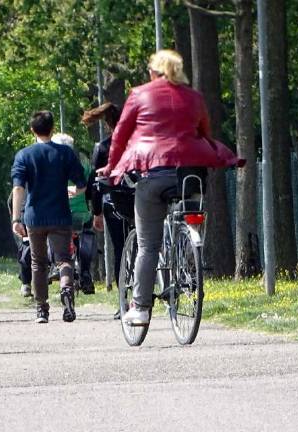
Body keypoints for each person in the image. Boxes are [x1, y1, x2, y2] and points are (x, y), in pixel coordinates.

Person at [97, 50, 242, 325]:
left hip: (154, 175)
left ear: (153, 72)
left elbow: (120, 137)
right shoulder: (195, 97)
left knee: (147, 246)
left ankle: (140, 308)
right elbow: (204, 134)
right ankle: (189, 256)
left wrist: (112, 167)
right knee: (191, 219)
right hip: (190, 176)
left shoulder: (139, 94)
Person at [11, 111, 86, 324]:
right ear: (52, 129)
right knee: (64, 259)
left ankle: (42, 309)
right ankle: (66, 289)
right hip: (60, 214)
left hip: (34, 216)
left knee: (38, 263)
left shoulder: (24, 155)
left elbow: (18, 189)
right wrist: (75, 191)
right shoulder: (65, 153)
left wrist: (16, 219)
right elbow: (82, 183)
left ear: (32, 130)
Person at [82, 103, 127, 311]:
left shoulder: (102, 147)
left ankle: (123, 300)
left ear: (108, 124)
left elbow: (95, 182)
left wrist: (97, 212)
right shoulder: (138, 144)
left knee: (121, 250)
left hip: (114, 203)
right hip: (143, 199)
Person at [50, 133, 96, 294]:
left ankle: (54, 266)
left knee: (51, 232)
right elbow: (90, 189)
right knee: (87, 233)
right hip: (81, 212)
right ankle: (85, 272)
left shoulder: (50, 165)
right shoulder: (83, 165)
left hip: (56, 212)